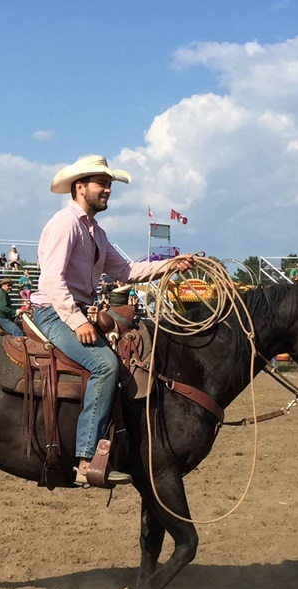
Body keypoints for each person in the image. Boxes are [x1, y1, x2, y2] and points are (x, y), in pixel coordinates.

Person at [30, 155, 194, 487]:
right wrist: (78, 321)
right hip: (55, 313)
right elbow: (52, 281)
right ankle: (86, 459)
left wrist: (170, 264)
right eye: (101, 183)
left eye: (108, 184)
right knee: (105, 366)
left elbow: (126, 271)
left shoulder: (95, 232)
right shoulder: (66, 224)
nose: (107, 190)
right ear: (80, 187)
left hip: (72, 311)